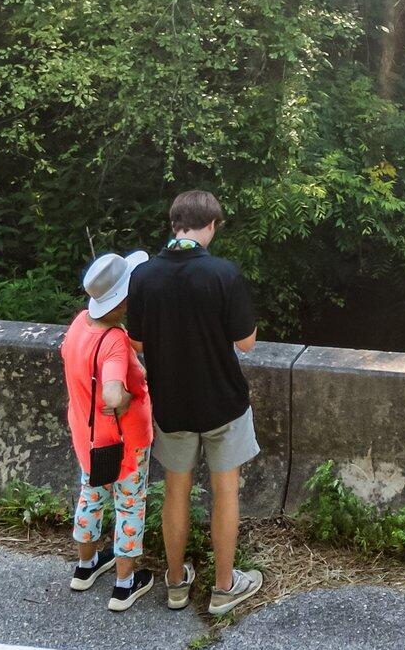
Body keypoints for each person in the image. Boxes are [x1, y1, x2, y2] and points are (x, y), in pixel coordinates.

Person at [126, 189, 264, 615]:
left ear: (174, 224)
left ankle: (174, 583)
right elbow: (247, 344)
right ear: (211, 225)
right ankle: (224, 588)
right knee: (225, 492)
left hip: (172, 404)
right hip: (223, 401)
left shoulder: (144, 276)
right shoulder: (222, 274)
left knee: (175, 491)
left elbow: (136, 340)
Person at [62, 250, 156, 611]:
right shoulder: (115, 342)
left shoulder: (80, 324)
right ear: (121, 299)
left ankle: (85, 567)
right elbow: (114, 391)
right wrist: (129, 396)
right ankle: (124, 584)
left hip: (88, 438)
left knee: (91, 495)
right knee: (129, 505)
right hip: (124, 442)